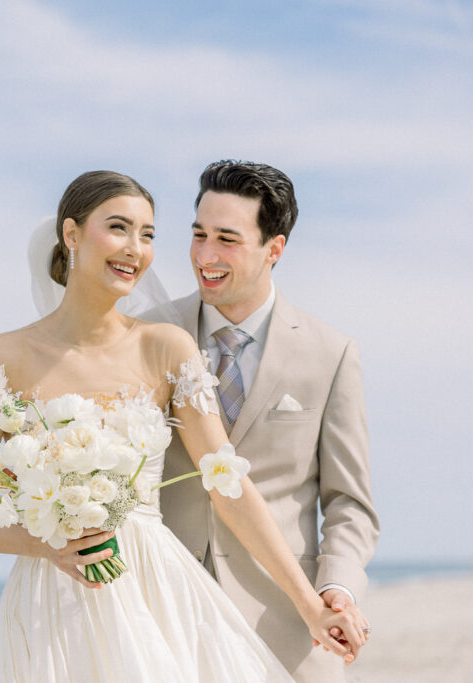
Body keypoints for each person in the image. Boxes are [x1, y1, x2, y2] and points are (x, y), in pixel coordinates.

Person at [0, 170, 368, 682]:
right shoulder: (3, 357)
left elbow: (227, 485)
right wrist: (46, 545)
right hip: (49, 599)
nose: (136, 249)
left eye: (147, 235)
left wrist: (310, 603)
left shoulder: (167, 347)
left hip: (155, 590)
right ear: (71, 234)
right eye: (119, 228)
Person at [156, 160, 380, 682]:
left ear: (274, 249)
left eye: (227, 239)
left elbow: (350, 502)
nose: (205, 256)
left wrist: (337, 587)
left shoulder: (332, 353)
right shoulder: (147, 332)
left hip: (286, 620)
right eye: (198, 234)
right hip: (161, 613)